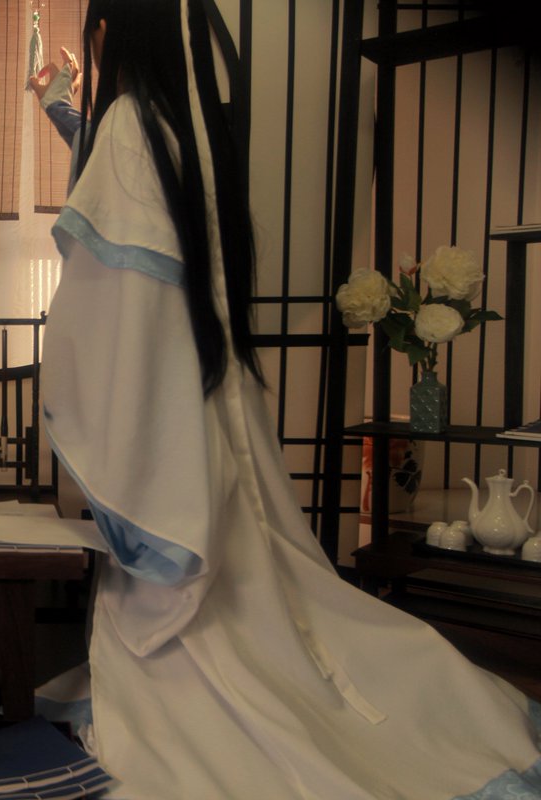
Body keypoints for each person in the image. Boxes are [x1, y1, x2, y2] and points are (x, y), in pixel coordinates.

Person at [38, 0, 541, 797]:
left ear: (107, 34)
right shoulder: (182, 131)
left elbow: (117, 306)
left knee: (196, 641)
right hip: (206, 399)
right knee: (267, 596)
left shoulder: (131, 123)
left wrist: (71, 366)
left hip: (168, 407)